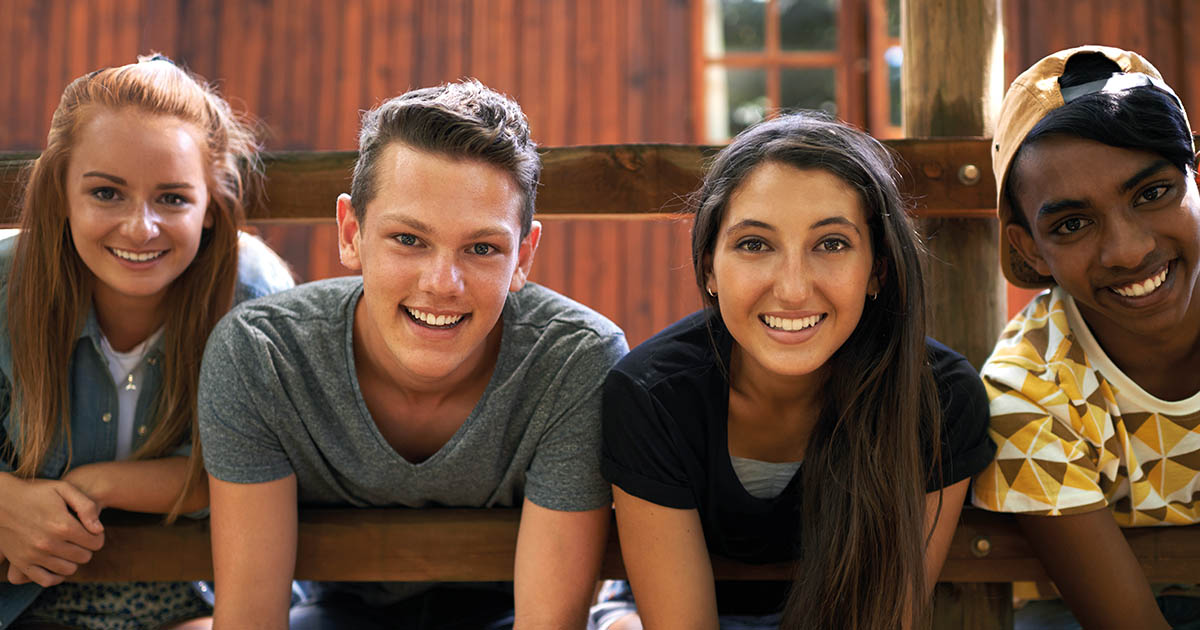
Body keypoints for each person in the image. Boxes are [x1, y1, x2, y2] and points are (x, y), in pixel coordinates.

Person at [197, 79, 629, 630]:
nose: (441, 283)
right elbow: (252, 620)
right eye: (409, 239)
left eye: (481, 248)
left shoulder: (576, 361)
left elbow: (548, 623)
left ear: (523, 256)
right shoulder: (262, 355)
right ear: (351, 232)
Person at [595, 112, 994, 630]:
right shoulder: (652, 395)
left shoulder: (937, 398)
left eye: (831, 244)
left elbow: (885, 620)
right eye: (755, 244)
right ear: (710, 268)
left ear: (878, 268)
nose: (792, 288)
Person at [0, 55, 294, 630]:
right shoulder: (4, 287)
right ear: (61, 191)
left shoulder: (255, 295)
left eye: (173, 199)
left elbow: (264, 467)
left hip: (197, 601)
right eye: (107, 194)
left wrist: (97, 484)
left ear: (211, 206)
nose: (140, 227)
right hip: (21, 599)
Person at [971, 45, 1200, 630]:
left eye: (1152, 193)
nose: (1129, 250)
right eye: (1072, 224)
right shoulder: (1027, 395)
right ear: (1028, 249)